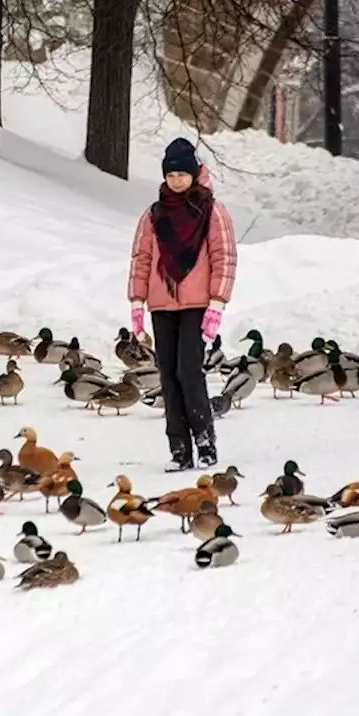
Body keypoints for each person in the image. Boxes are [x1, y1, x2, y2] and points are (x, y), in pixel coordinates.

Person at [127, 138, 238, 471]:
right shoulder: (154, 214)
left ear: (194, 173)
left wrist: (217, 304)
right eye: (171, 174)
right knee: (168, 376)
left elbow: (225, 257)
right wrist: (136, 302)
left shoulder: (212, 211)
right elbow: (142, 258)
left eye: (182, 174)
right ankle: (179, 448)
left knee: (188, 372)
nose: (176, 180)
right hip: (162, 305)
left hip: (197, 305)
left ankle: (204, 441)